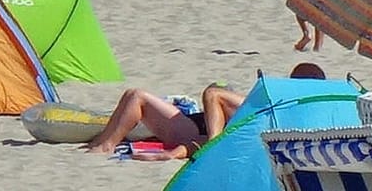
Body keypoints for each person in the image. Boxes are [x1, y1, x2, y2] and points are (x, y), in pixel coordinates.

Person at [84, 64, 325, 158]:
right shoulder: (285, 111)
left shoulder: (265, 106)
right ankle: (101, 142)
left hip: (193, 129)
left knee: (136, 97)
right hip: (195, 126)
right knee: (131, 95)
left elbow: (212, 94)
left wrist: (212, 143)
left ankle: (104, 146)